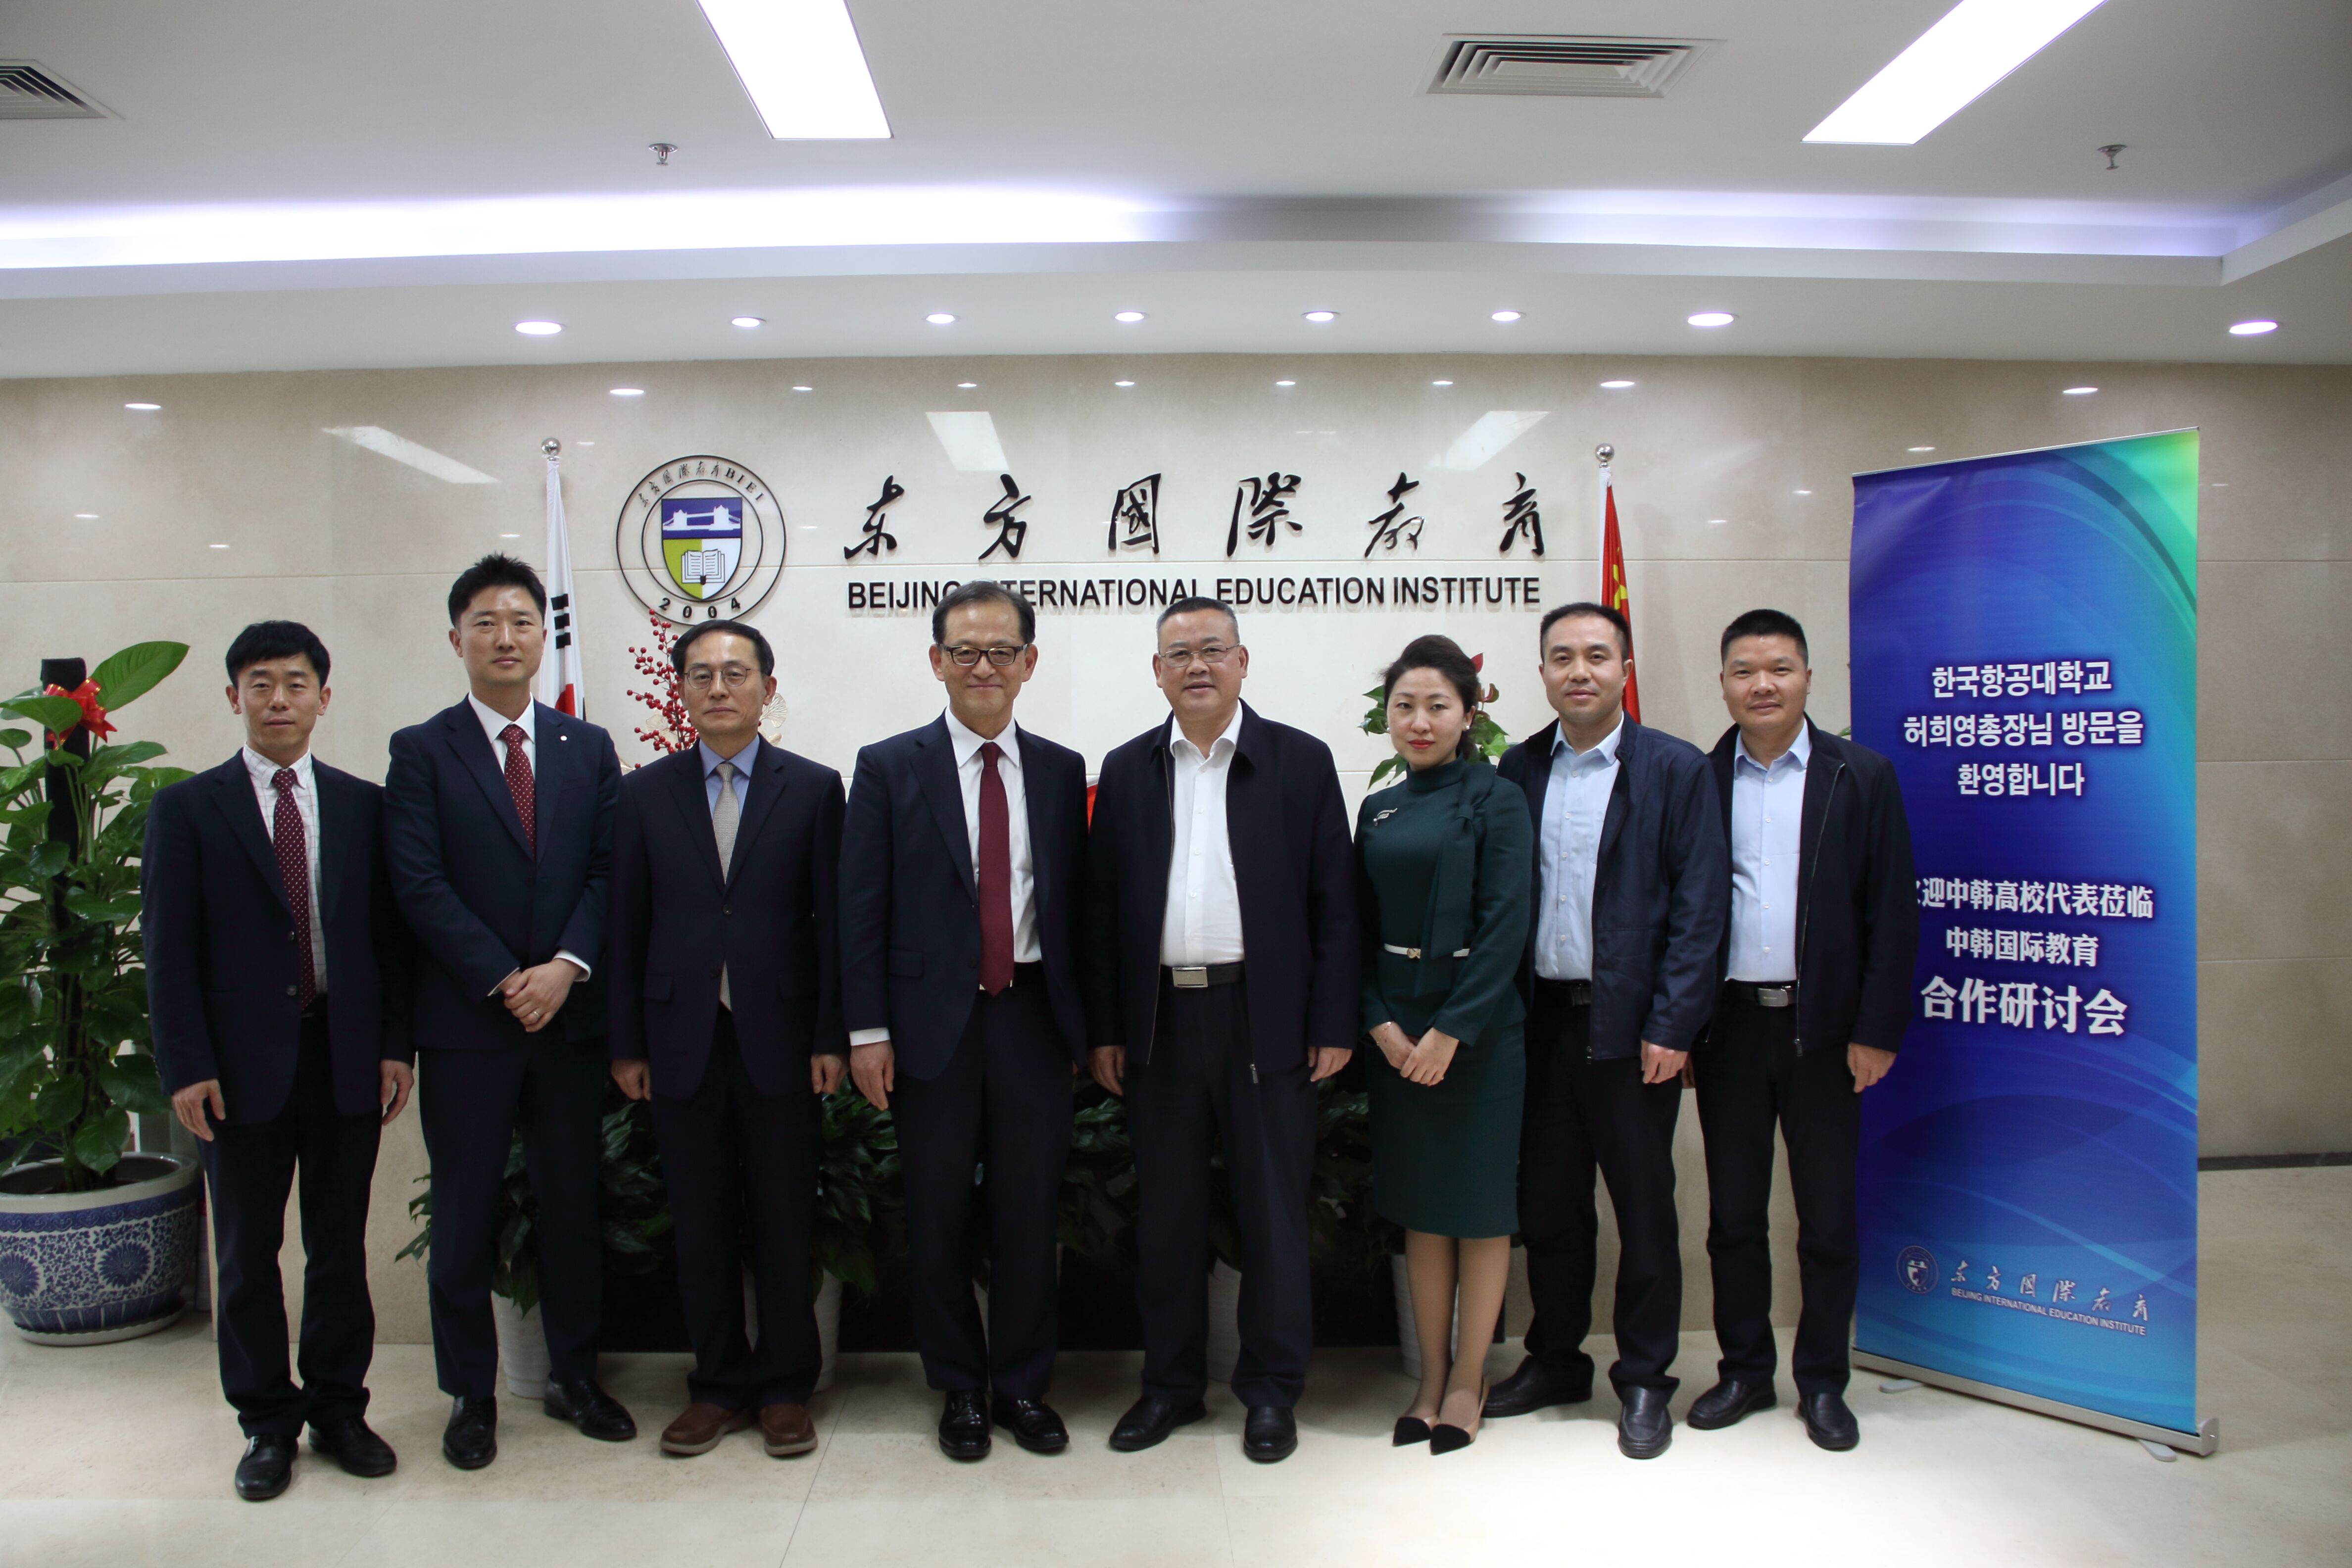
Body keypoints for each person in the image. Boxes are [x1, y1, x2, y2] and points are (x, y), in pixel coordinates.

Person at [143, 621, 414, 1501]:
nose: (279, 700)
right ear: (234, 697)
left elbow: (388, 942)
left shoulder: (364, 805)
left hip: (344, 1054)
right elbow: (168, 952)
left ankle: (338, 1408)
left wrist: (394, 1046)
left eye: (296, 683)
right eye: (260, 683)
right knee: (247, 1253)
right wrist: (185, 1065)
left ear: (324, 699)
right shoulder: (189, 811)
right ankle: (266, 1423)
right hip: (235, 1070)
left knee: (338, 1248)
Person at [1084, 596, 1358, 1465]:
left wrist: (1331, 1020)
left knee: (1274, 1213)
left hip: (1264, 1016)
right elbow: (1102, 912)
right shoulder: (1127, 769)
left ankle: (1271, 1391)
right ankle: (1170, 1387)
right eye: (1179, 654)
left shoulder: (1300, 761)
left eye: (1212, 650)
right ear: (1156, 672)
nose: (1196, 666)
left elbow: (1336, 904)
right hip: (1160, 1022)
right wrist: (1107, 1029)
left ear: (1243, 662)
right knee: (1167, 1216)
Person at [384, 553, 632, 1469]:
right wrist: (503, 977)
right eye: (485, 622)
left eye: (521, 620)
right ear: (456, 639)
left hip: (567, 1023)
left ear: (543, 637)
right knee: (463, 1216)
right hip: (469, 1028)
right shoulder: (422, 750)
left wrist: (564, 968)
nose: (505, 637)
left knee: (571, 1207)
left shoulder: (586, 747)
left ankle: (575, 1378)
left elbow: (609, 872)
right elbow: (418, 882)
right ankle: (470, 1395)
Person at [838, 582, 1089, 1461]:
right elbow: (859, 909)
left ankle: (1020, 1385)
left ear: (1029, 662)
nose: (985, 667)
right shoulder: (888, 766)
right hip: (926, 1027)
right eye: (966, 652)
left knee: (1028, 1213)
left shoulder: (1059, 770)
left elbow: (1077, 911)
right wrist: (866, 1030)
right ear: (937, 661)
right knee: (937, 1214)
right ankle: (957, 1388)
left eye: (1002, 651)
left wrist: (1086, 1029)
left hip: (1032, 1020)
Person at [1486, 602, 1728, 1460]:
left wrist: (1675, 1023)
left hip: (1635, 1034)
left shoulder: (1674, 768)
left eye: (1596, 655)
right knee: (1550, 1210)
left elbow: (1701, 908)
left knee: (1645, 1213)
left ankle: (1646, 1377)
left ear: (1624, 668)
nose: (1578, 671)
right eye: (1562, 657)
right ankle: (1556, 1360)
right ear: (1542, 673)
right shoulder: (1518, 768)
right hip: (1540, 1026)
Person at [608, 620, 845, 1460]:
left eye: (736, 673)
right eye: (702, 674)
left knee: (784, 1219)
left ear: (766, 689)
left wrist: (832, 1035)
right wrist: (627, 1043)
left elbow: (833, 925)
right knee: (699, 1221)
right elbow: (625, 923)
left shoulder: (814, 789)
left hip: (783, 1036)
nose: (719, 687)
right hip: (681, 1038)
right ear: (681, 690)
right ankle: (715, 1385)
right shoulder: (643, 794)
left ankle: (784, 1388)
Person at [1687, 609, 1917, 1451]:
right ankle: (1746, 1370)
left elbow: (1893, 911)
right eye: (1745, 671)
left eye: (1780, 669)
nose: (1763, 685)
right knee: (1733, 1218)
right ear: (1723, 684)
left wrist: (1876, 1030)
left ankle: (1823, 1381)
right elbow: (1678, 913)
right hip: (1728, 1032)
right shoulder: (1696, 779)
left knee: (1826, 1219)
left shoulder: (1862, 775)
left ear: (1809, 678)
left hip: (1825, 1035)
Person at [1355, 636, 1532, 1455]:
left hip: (1480, 1035)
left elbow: (1505, 928)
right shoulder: (1379, 808)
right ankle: (1428, 1380)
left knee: (1480, 1213)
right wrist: (1382, 1025)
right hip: (1396, 1034)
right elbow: (1352, 929)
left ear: (1468, 715)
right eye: (1405, 706)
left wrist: (1451, 1033)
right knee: (1425, 1214)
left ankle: (1468, 1381)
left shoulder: (1498, 799)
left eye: (1437, 706)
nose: (1419, 722)